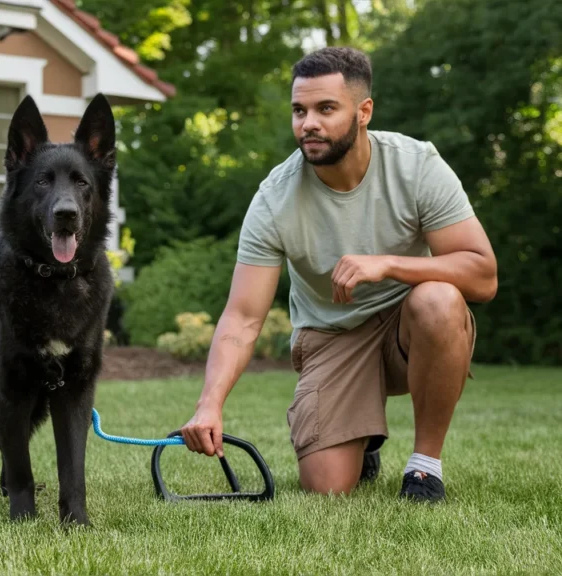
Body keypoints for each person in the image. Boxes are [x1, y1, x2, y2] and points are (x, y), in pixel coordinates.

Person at [179, 46, 498, 503]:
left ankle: (425, 467)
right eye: (299, 110)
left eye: (326, 108)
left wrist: (387, 264)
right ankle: (362, 438)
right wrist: (209, 403)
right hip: (331, 336)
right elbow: (243, 317)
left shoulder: (417, 165)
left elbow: (483, 277)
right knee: (326, 487)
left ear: (363, 111)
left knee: (438, 300)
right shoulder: (274, 199)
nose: (309, 123)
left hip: (407, 327)